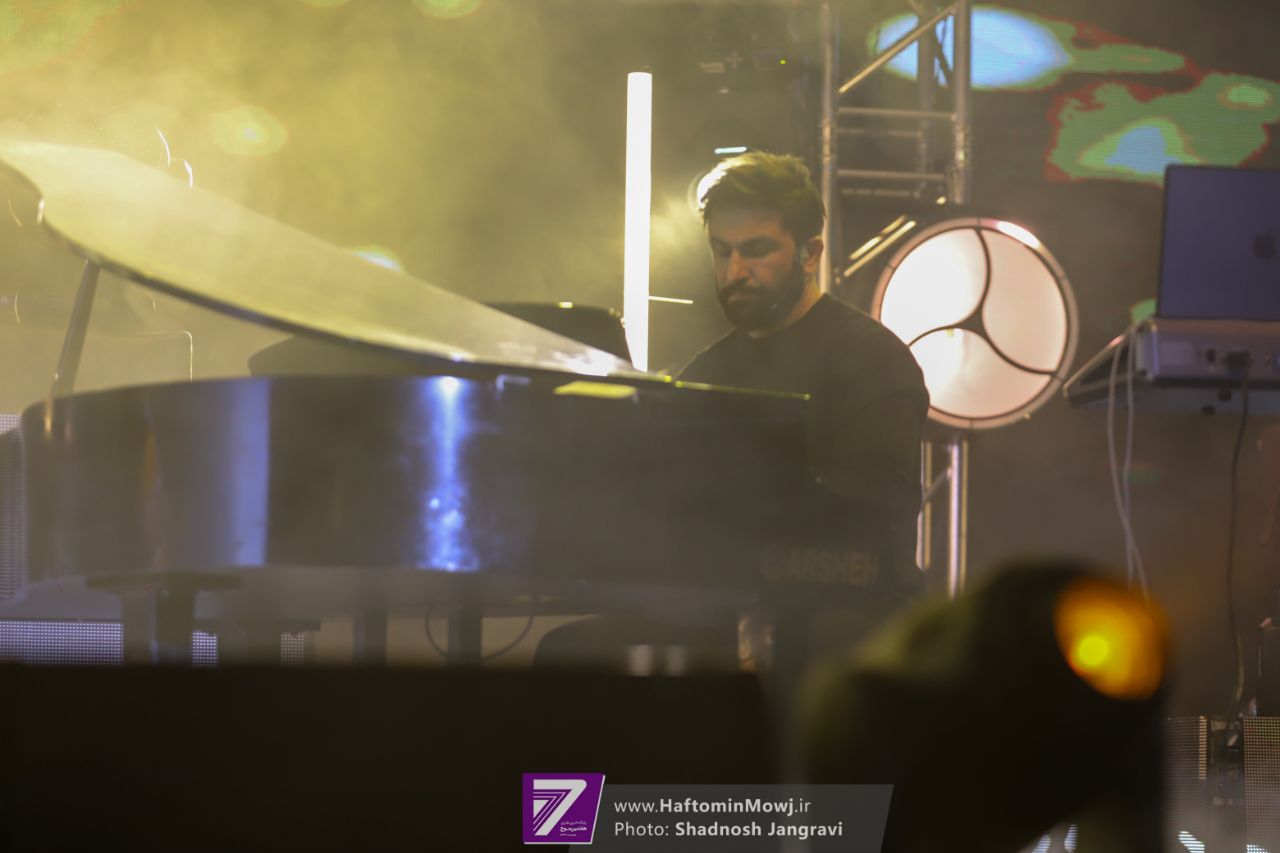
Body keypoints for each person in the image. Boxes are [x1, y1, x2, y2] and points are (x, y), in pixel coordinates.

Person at [680, 151, 928, 589]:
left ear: (810, 254)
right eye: (722, 252)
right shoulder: (705, 370)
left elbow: (877, 514)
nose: (734, 272)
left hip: (845, 610)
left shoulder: (875, 359)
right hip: (726, 600)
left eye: (756, 251)